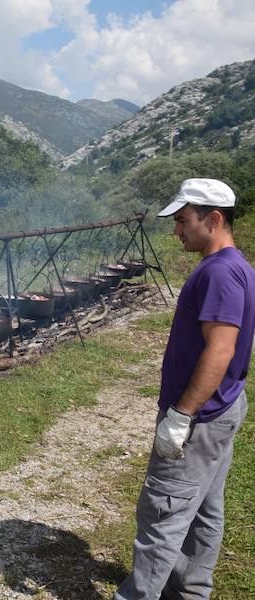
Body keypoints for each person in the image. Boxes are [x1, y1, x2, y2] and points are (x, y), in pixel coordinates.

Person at [115, 178, 253, 600]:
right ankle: (190, 592)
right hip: (221, 409)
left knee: (163, 515)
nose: (177, 231)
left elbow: (221, 350)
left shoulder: (219, 273)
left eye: (183, 221)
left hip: (199, 417)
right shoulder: (237, 266)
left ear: (213, 219)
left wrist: (181, 415)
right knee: (204, 511)